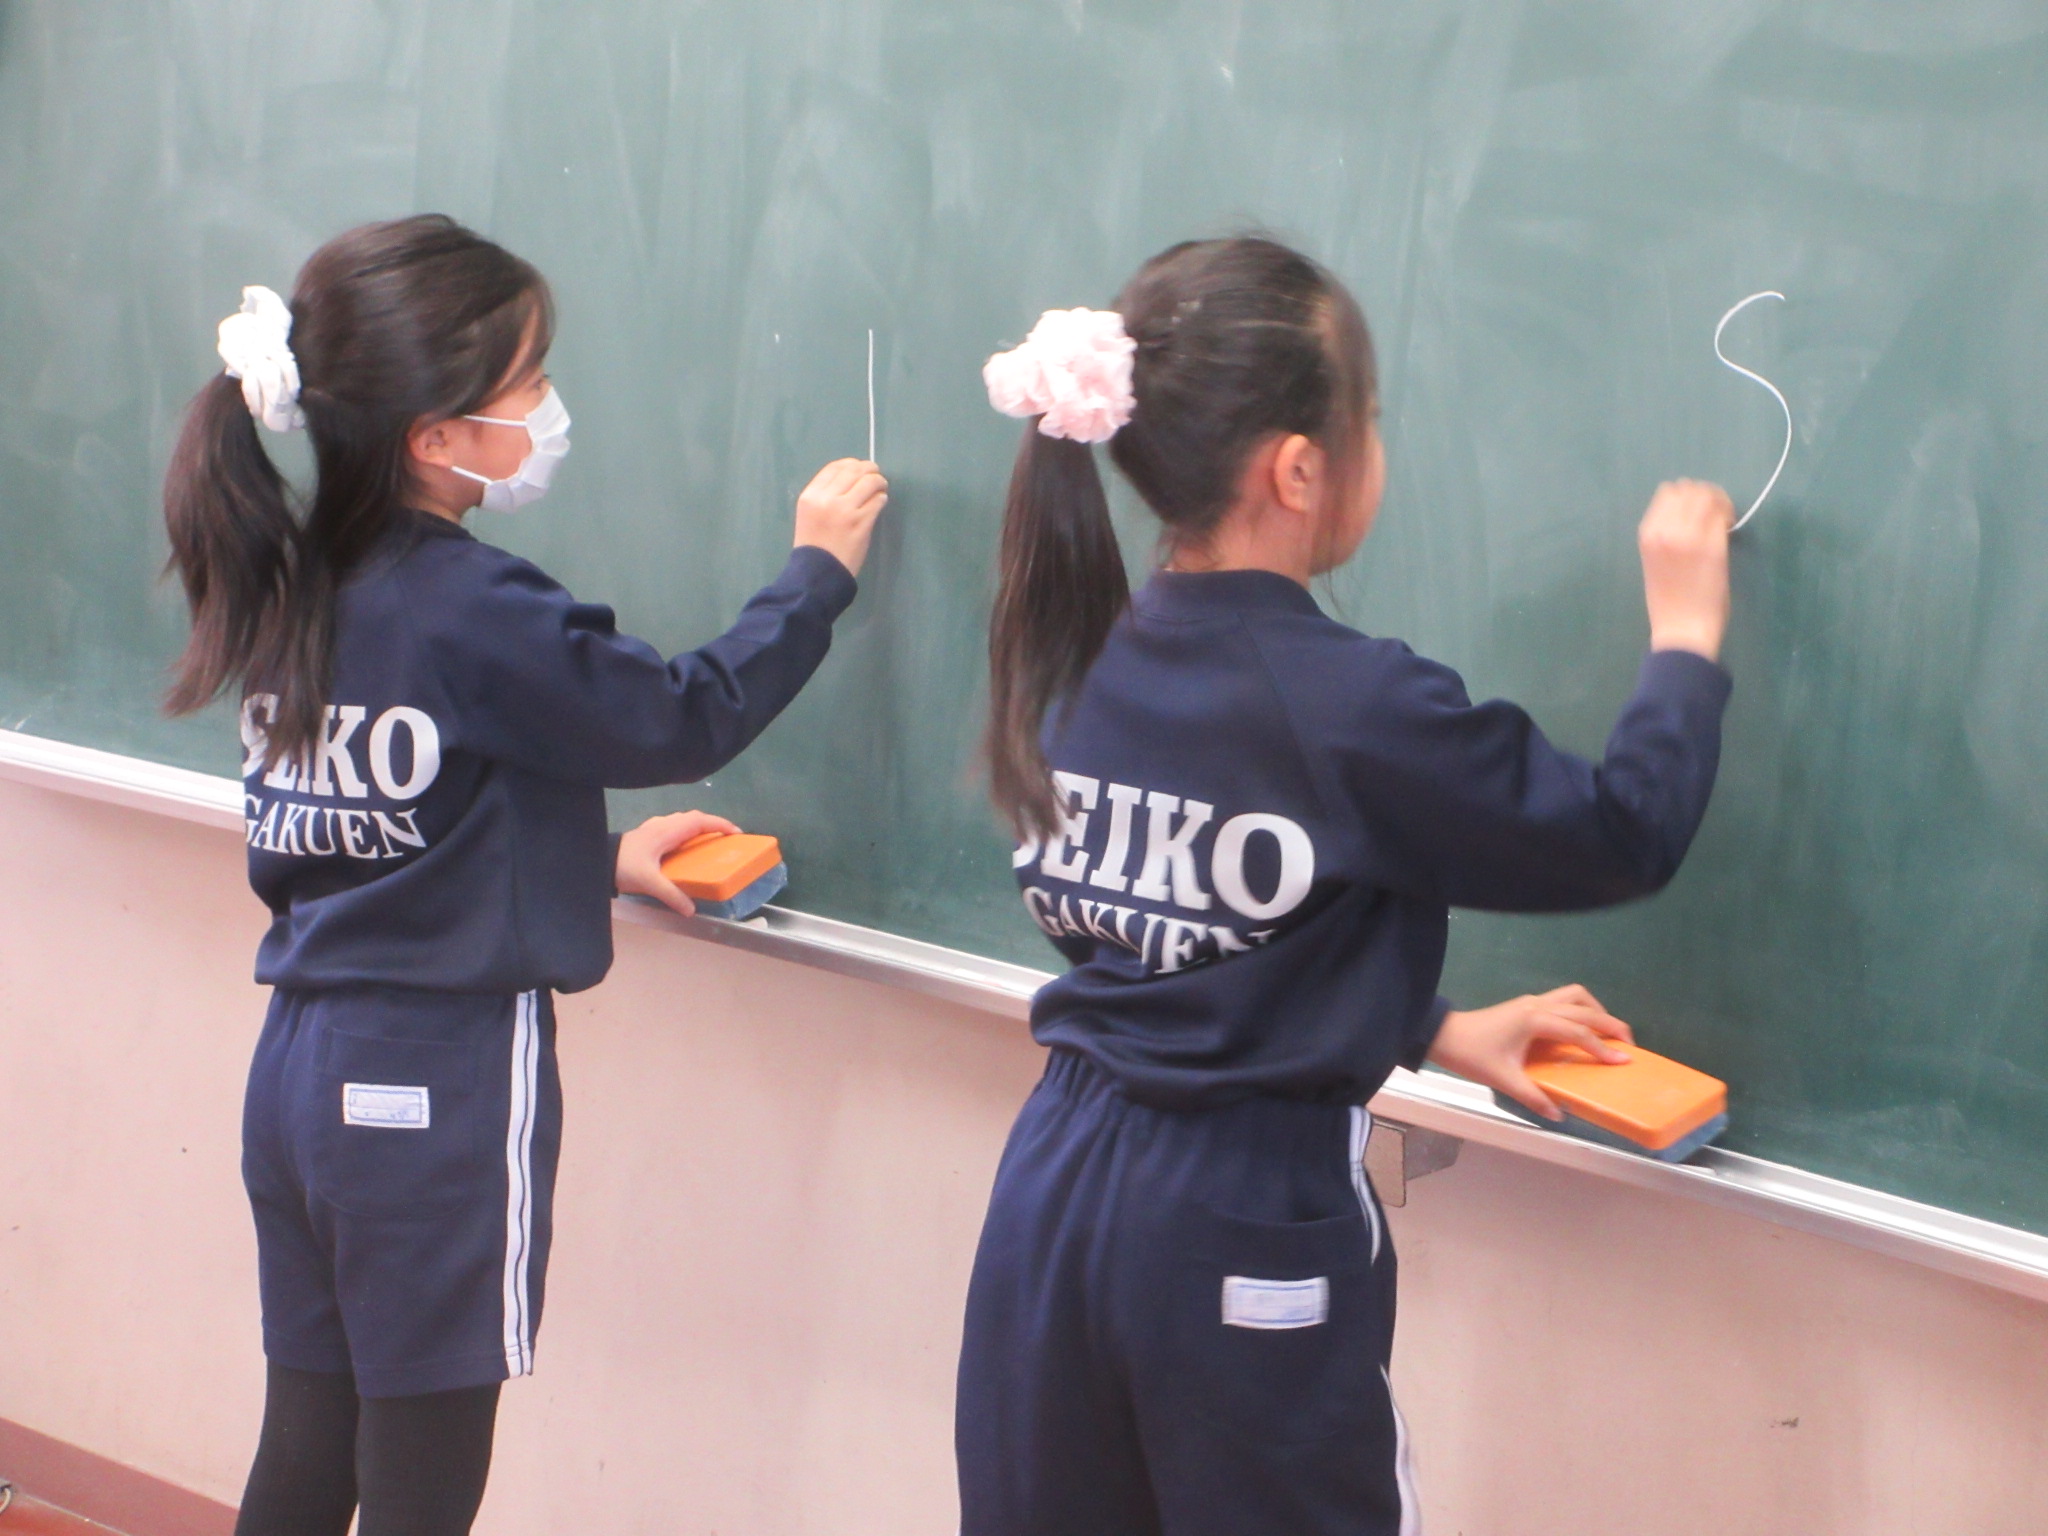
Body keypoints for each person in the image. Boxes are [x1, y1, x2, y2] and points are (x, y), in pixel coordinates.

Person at [962, 237, 1734, 1535]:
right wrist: (1687, 637)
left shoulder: (1080, 646)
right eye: (1368, 418)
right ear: (1299, 468)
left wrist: (1430, 1026)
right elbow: (1623, 831)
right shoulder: (1355, 705)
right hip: (1236, 1225)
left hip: (1051, 1204)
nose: (1380, 444)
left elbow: (1192, 938)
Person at [163, 214, 887, 1535]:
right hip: (433, 1084)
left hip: (299, 1072)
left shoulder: (289, 580)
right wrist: (815, 576)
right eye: (529, 382)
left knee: (310, 1441)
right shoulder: (474, 604)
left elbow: (385, 828)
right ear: (436, 435)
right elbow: (679, 716)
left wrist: (595, 861)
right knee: (426, 1479)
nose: (549, 409)